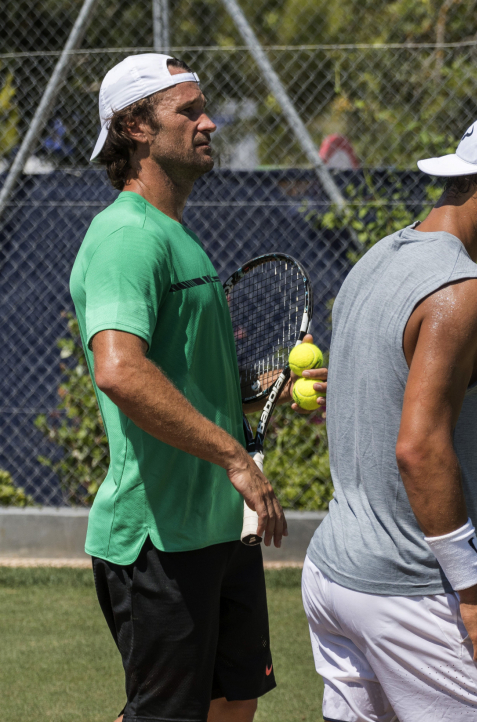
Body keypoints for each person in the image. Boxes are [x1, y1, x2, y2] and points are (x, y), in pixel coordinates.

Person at [70, 54, 325, 722]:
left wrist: (262, 396)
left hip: (216, 530)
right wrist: (235, 456)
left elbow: (189, 387)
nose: (209, 122)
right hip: (157, 538)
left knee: (234, 704)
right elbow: (120, 370)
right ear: (136, 127)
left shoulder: (177, 237)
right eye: (188, 111)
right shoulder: (126, 236)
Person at [302, 107, 477, 722]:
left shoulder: (376, 259)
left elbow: (367, 405)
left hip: (333, 578)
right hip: (407, 590)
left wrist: (474, 557)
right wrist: (474, 591)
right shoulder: (467, 291)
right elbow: (419, 448)